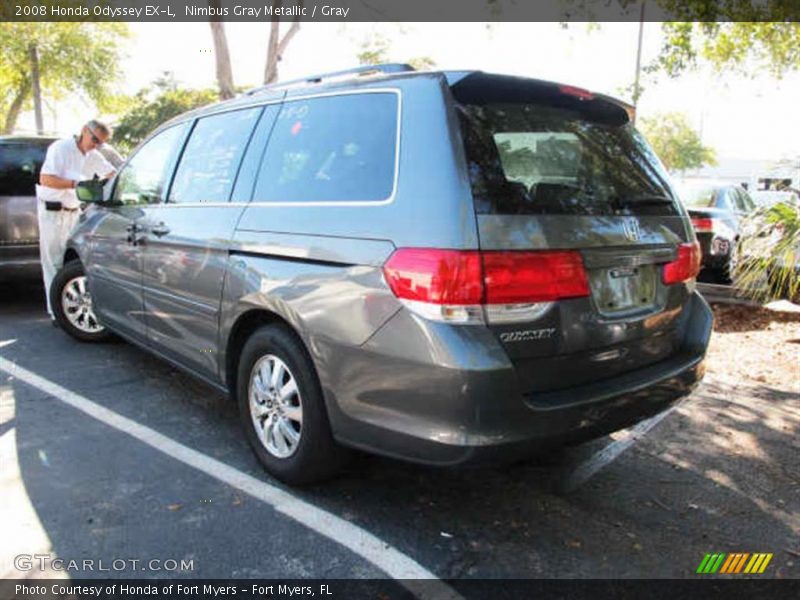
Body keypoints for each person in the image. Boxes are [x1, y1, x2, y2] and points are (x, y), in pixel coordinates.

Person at [37, 120, 116, 320]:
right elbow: (46, 179)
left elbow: (113, 173)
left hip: (75, 212)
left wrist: (104, 185)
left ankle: (70, 308)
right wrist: (76, 183)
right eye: (94, 139)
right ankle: (56, 313)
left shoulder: (93, 155)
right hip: (52, 212)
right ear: (84, 131)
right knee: (53, 264)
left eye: (100, 143)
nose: (95, 145)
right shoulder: (61, 148)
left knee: (72, 263)